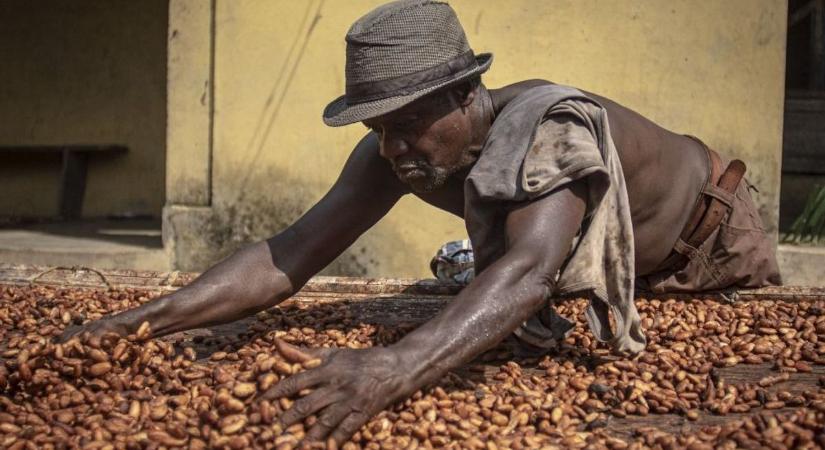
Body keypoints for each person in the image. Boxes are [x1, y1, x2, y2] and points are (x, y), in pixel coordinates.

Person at [62, 0, 781, 444]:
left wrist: (395, 366)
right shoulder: (391, 156)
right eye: (379, 127)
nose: (392, 147)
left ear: (469, 95)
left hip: (702, 243)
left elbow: (527, 274)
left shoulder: (547, 131)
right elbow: (286, 256)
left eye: (408, 123)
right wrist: (141, 321)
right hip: (620, 262)